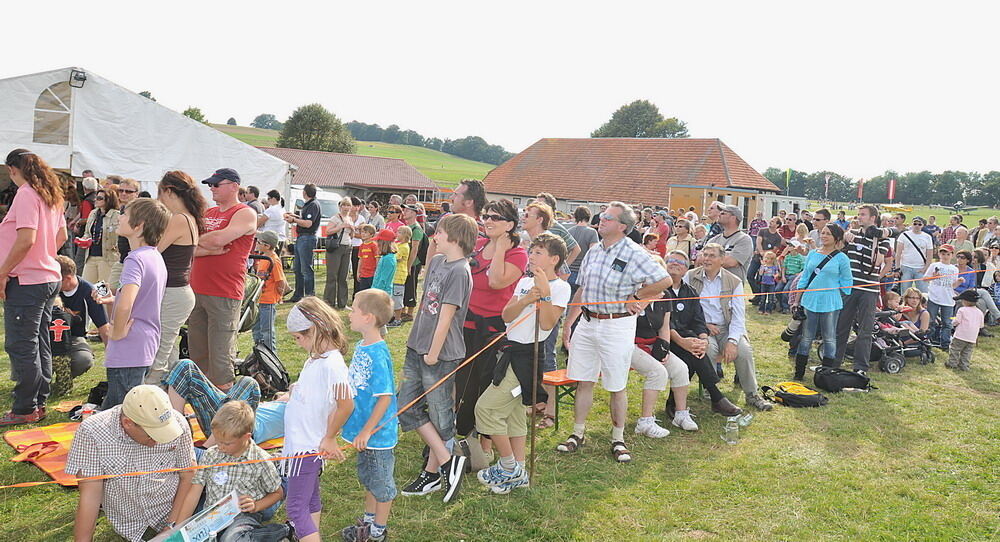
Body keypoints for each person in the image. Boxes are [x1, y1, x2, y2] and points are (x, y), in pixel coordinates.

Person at [558, 202, 672, 463]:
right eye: (602, 217)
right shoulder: (594, 250)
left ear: (622, 226)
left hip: (617, 324)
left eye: (608, 218)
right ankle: (578, 433)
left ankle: (618, 438)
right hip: (587, 322)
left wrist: (638, 295)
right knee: (584, 379)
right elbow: (583, 288)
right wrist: (569, 323)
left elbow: (663, 281)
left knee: (616, 383)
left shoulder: (635, 252)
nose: (601, 220)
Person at [476, 233, 570, 493]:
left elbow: (547, 324)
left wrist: (546, 294)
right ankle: (518, 470)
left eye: (538, 252)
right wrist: (528, 298)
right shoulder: (524, 282)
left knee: (485, 408)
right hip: (509, 350)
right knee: (516, 415)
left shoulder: (561, 287)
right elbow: (506, 315)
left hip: (529, 356)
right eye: (532, 251)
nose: (532, 256)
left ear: (554, 259)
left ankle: (508, 467)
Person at [397, 213, 477, 502]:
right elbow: (425, 307)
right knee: (405, 406)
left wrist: (433, 352)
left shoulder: (460, 271)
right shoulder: (437, 262)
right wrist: (419, 343)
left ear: (454, 238)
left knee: (441, 416)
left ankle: (433, 473)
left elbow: (446, 315)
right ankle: (447, 461)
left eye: (440, 233)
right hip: (417, 345)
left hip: (440, 354)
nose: (435, 236)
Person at [66, 385, 194, 542]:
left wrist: (172, 526)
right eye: (151, 435)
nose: (157, 441)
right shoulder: (92, 432)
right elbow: (90, 495)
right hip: (133, 526)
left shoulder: (179, 423)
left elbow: (188, 476)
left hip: (172, 512)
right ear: (127, 423)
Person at [0, 149, 69, 425]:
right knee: (39, 342)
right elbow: (61, 234)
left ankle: (25, 406)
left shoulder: (27, 194)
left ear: (12, 169)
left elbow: (26, 239)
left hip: (28, 280)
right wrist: (45, 256)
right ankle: (37, 402)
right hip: (45, 276)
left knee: (22, 344)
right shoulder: (50, 194)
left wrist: (3, 271)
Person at [455, 199, 528, 448]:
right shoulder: (477, 245)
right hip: (466, 323)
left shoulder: (518, 253)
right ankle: (461, 430)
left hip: (493, 329)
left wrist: (499, 249)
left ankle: (482, 444)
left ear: (510, 224)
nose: (488, 221)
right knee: (461, 380)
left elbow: (497, 281)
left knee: (484, 384)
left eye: (495, 218)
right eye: (486, 216)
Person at [283, 297, 355, 541]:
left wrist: (330, 437)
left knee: (295, 508)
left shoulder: (333, 364)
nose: (297, 343)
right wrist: (294, 391)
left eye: (298, 338)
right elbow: (314, 393)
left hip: (308, 446)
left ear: (314, 330)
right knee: (310, 500)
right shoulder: (317, 359)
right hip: (303, 444)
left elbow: (346, 404)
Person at [91, 198, 170, 409]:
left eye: (125, 214)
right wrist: (113, 299)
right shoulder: (155, 257)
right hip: (145, 343)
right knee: (125, 408)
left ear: (139, 225)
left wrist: (115, 332)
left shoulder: (134, 260)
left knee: (120, 412)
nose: (119, 217)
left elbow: (127, 305)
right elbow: (144, 297)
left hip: (129, 347)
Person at [178, 401, 286, 541]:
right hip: (211, 515)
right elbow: (194, 491)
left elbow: (277, 493)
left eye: (227, 443)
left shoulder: (260, 461)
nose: (221, 447)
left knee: (231, 539)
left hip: (243, 515)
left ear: (246, 437)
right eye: (217, 440)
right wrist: (179, 528)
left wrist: (256, 505)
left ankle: (281, 531)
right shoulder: (211, 455)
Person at [189, 168, 257, 388]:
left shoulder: (244, 212)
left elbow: (219, 239)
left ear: (234, 186)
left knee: (220, 359)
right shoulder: (210, 213)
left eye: (217, 184)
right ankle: (203, 403)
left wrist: (203, 242)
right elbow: (189, 246)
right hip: (198, 289)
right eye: (211, 184)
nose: (212, 188)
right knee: (198, 355)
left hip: (224, 292)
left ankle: (224, 410)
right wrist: (207, 248)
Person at [685, 243, 773, 411]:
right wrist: (703, 325)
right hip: (701, 328)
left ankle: (752, 395)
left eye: (712, 255)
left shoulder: (734, 281)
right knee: (707, 349)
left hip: (727, 327)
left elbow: (739, 316)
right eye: (705, 254)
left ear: (722, 259)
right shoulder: (690, 276)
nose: (707, 259)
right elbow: (683, 307)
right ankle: (713, 393)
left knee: (744, 350)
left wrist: (732, 341)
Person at [341, 289, 399, 542]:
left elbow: (385, 396)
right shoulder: (362, 346)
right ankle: (368, 520)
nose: (349, 314)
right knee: (369, 478)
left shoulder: (377, 353)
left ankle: (377, 532)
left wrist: (367, 431)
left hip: (377, 436)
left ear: (368, 318)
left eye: (354, 310)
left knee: (382, 484)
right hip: (365, 432)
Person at [662, 249, 742, 420]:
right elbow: (663, 324)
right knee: (691, 353)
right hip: (664, 338)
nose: (676, 264)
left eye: (681, 262)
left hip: (686, 337)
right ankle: (716, 397)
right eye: (671, 260)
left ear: (686, 270)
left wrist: (703, 339)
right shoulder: (659, 290)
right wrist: (683, 341)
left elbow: (698, 320)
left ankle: (675, 403)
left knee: (696, 350)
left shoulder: (690, 291)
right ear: (664, 264)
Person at [145, 171, 205, 386]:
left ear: (169, 192)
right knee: (168, 352)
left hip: (174, 293)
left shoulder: (179, 219)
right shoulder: (188, 218)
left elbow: (153, 250)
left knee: (160, 351)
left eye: (160, 194)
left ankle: (149, 394)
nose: (159, 200)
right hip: (175, 292)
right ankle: (171, 395)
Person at [630, 274, 697, 435]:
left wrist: (664, 348)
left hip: (653, 343)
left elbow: (664, 327)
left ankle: (681, 414)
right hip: (629, 344)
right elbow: (627, 320)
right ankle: (645, 422)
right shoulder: (632, 295)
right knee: (657, 372)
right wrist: (647, 299)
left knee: (681, 368)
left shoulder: (665, 296)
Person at [836, 204, 894, 375]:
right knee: (841, 326)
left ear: (872, 218)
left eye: (863, 214)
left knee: (865, 329)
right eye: (858, 214)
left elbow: (876, 262)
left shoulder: (882, 239)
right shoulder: (851, 234)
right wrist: (845, 239)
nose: (859, 217)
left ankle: (860, 367)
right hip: (850, 287)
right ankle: (834, 362)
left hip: (869, 289)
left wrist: (865, 242)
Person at [792, 224, 853, 379]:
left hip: (831, 303)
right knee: (807, 337)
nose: (824, 236)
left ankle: (825, 375)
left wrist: (834, 287)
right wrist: (796, 301)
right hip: (810, 301)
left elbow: (847, 283)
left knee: (829, 338)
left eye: (828, 234)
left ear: (836, 238)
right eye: (823, 233)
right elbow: (804, 278)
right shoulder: (812, 254)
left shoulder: (842, 258)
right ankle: (799, 373)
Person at [55, 255, 109, 378]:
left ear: (67, 278)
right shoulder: (50, 289)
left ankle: (63, 379)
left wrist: (112, 361)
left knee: (84, 360)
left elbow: (104, 327)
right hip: (49, 338)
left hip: (74, 338)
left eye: (55, 278)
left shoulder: (90, 291)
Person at [253, 231, 288, 353]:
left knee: (267, 331)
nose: (256, 244)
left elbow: (281, 281)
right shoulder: (263, 258)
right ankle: (260, 354)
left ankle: (271, 358)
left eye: (259, 242)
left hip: (268, 301)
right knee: (256, 329)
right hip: (259, 301)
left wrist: (278, 295)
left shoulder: (274, 260)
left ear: (267, 246)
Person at [922, 244, 963, 349]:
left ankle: (945, 344)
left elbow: (952, 285)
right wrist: (933, 277)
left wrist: (959, 281)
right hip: (934, 297)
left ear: (952, 255)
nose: (945, 256)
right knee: (931, 321)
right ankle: (927, 342)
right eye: (943, 253)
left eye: (948, 254)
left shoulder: (954, 269)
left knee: (947, 323)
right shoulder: (934, 265)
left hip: (948, 299)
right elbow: (925, 279)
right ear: (939, 254)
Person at [285, 183, 321, 302]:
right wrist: (294, 216)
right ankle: (298, 295)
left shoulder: (313, 205)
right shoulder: (309, 205)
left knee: (306, 269)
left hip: (307, 238)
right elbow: (304, 219)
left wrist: (294, 220)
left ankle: (310, 296)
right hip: (302, 238)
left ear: (305, 193)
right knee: (298, 268)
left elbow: (308, 223)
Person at [703, 204, 754, 284]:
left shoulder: (744, 239)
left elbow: (731, 262)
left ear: (733, 218)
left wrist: (709, 261)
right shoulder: (713, 240)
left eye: (723, 213)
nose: (719, 214)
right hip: (710, 286)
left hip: (731, 288)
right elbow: (701, 260)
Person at [80, 187, 121, 286]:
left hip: (107, 258)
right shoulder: (93, 213)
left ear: (108, 200)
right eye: (96, 198)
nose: (96, 200)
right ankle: (90, 302)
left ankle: (101, 302)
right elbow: (87, 233)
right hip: (90, 256)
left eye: (99, 198)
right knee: (87, 286)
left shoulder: (116, 215)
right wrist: (84, 239)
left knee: (102, 289)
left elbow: (119, 236)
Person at [324, 198, 356, 310]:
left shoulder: (350, 218)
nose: (346, 208)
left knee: (343, 276)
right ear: (340, 206)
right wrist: (340, 226)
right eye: (344, 205)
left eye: (348, 205)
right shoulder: (335, 218)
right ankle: (329, 302)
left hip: (347, 247)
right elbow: (327, 231)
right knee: (332, 275)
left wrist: (352, 230)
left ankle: (342, 303)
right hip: (335, 248)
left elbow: (351, 235)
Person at [110, 177, 141, 290]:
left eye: (128, 191)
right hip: (119, 258)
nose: (123, 193)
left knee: (117, 291)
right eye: (121, 190)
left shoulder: (138, 211)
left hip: (132, 260)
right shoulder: (122, 209)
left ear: (136, 194)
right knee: (109, 288)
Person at [947, 289, 984, 371]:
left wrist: (952, 323)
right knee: (967, 352)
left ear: (966, 301)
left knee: (955, 349)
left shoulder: (962, 310)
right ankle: (964, 365)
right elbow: (981, 325)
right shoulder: (980, 312)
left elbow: (957, 321)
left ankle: (952, 363)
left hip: (960, 335)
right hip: (972, 337)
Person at [400, 204, 425, 321]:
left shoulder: (417, 229)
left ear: (414, 213)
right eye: (404, 209)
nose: (404, 212)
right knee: (404, 286)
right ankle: (403, 310)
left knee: (411, 286)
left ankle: (409, 313)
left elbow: (415, 248)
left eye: (407, 210)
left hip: (413, 263)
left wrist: (409, 266)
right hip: (405, 262)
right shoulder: (407, 226)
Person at [567, 206, 599, 299]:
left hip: (569, 270)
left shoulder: (569, 232)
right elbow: (593, 253)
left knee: (568, 302)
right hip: (583, 272)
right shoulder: (592, 232)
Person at [896, 216, 934, 293]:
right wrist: (897, 268)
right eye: (915, 224)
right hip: (906, 267)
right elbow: (898, 253)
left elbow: (930, 255)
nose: (917, 226)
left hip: (921, 268)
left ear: (923, 225)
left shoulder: (927, 237)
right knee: (905, 292)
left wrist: (926, 268)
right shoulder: (904, 235)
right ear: (911, 224)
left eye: (919, 224)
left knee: (923, 293)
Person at [389, 225, 412, 327]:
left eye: (399, 232)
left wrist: (391, 245)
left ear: (405, 235)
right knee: (392, 297)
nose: (396, 234)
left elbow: (395, 257)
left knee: (397, 299)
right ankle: (392, 316)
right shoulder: (399, 245)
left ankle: (398, 319)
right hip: (394, 276)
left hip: (399, 276)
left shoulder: (404, 247)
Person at [371, 229, 397, 298]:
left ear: (383, 243)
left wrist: (375, 293)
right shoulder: (385, 257)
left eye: (378, 242)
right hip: (377, 290)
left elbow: (383, 280)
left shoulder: (388, 259)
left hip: (382, 293)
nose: (377, 244)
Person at [354, 223, 378, 293]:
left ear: (371, 234)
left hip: (372, 274)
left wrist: (377, 271)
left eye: (365, 232)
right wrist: (358, 272)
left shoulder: (374, 245)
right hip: (363, 273)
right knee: (363, 292)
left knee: (372, 293)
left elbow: (377, 259)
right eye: (362, 232)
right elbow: (360, 259)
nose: (363, 234)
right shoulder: (362, 246)